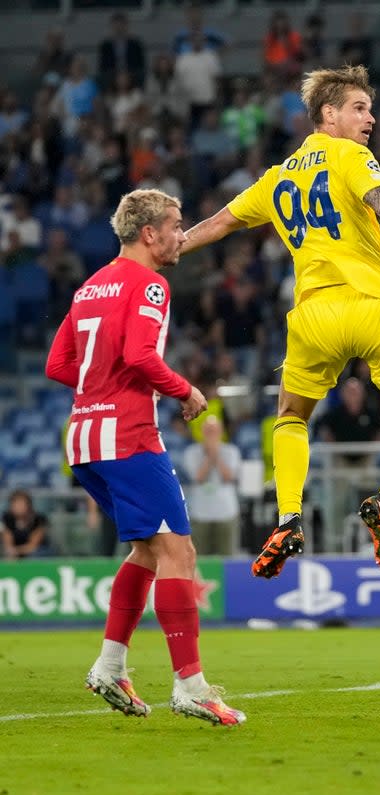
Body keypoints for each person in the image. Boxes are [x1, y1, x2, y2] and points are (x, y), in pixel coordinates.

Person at [179, 66, 380, 580]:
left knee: (291, 416)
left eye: (371, 110)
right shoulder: (351, 155)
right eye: (359, 108)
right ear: (327, 114)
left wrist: (169, 247)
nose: (370, 118)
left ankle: (287, 518)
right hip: (374, 307)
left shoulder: (277, 175)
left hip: (312, 316)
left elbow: (219, 224)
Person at [43, 189, 244, 725]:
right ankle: (192, 687)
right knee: (180, 554)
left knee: (148, 553)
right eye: (177, 225)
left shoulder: (90, 287)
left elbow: (59, 364)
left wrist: (99, 386)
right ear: (149, 233)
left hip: (83, 437)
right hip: (128, 437)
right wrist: (185, 391)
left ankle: (110, 666)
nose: (184, 234)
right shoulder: (149, 284)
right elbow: (139, 356)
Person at [181, 416, 242, 555]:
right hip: (200, 513)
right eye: (208, 431)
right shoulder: (191, 452)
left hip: (226, 512)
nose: (211, 434)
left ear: (221, 432)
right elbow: (198, 477)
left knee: (227, 557)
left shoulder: (232, 451)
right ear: (202, 432)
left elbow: (228, 477)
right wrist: (210, 455)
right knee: (200, 558)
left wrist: (216, 454)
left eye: (214, 431)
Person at [2, 490, 50, 559]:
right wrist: (11, 551)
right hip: (15, 552)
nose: (18, 507)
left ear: (29, 505)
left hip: (38, 552)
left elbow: (33, 546)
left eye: (21, 504)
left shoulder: (39, 519)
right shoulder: (7, 519)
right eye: (15, 504)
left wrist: (17, 551)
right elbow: (8, 542)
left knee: (36, 555)